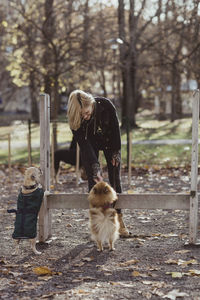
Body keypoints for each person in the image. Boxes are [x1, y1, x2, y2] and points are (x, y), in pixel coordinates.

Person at [67, 89, 130, 237]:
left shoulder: (106, 105)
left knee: (115, 179)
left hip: (110, 142)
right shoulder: (74, 119)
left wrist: (116, 152)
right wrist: (95, 166)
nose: (86, 117)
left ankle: (119, 221)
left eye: (87, 112)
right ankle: (98, 225)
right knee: (93, 183)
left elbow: (115, 130)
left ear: (91, 104)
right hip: (90, 146)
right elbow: (84, 145)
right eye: (82, 115)